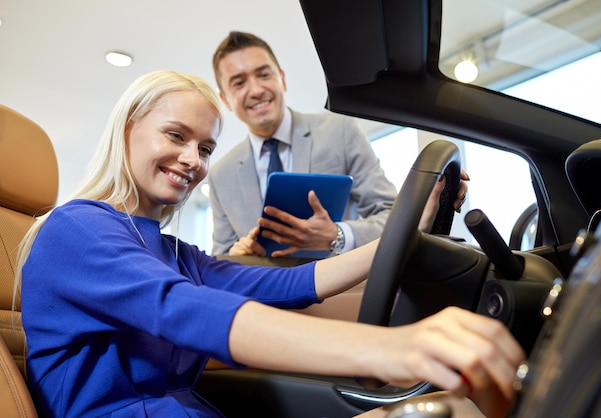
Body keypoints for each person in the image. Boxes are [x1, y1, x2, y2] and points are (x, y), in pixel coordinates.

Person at [16, 70, 522, 418]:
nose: (192, 159)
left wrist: (408, 232)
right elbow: (183, 309)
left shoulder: (173, 253)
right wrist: (391, 349)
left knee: (449, 410)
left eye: (205, 147)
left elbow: (293, 283)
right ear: (128, 130)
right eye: (175, 135)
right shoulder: (76, 229)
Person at [208, 30, 400, 257]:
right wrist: (237, 256)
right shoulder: (220, 175)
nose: (256, 90)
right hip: (265, 292)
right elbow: (219, 259)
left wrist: (337, 235)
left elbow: (392, 215)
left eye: (264, 75)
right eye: (239, 83)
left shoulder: (341, 131)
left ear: (282, 79)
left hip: (343, 288)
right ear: (225, 100)